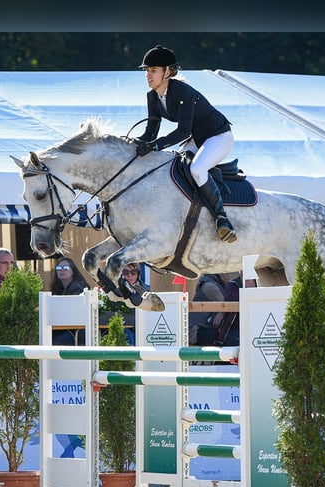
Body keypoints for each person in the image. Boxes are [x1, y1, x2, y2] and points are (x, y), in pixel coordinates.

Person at [135, 45, 237, 243]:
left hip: (218, 136)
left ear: (168, 72)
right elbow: (151, 131)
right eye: (147, 71)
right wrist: (132, 144)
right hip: (197, 139)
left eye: (153, 70)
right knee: (171, 166)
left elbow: (183, 131)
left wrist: (155, 146)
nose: (148, 75)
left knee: (198, 169)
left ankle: (221, 219)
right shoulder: (152, 96)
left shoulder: (182, 92)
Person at [50, 257, 90, 346]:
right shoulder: (58, 289)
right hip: (65, 329)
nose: (62, 270)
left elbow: (72, 313)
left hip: (76, 332)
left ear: (73, 270)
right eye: (59, 268)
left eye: (66, 268)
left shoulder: (78, 288)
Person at [188, 273, 229, 346]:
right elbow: (227, 304)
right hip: (197, 330)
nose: (227, 273)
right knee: (229, 339)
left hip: (205, 327)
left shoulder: (215, 282)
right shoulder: (209, 285)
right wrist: (228, 283)